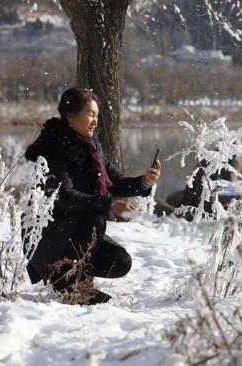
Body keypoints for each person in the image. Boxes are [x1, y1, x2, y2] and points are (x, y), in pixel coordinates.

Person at [23, 87, 161, 305]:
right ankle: (72, 284)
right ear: (70, 116)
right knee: (95, 216)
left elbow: (114, 182)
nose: (95, 121)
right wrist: (109, 205)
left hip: (74, 229)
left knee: (120, 261)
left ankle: (72, 276)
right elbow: (65, 196)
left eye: (97, 115)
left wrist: (144, 182)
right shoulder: (54, 150)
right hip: (48, 235)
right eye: (90, 114)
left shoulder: (91, 148)